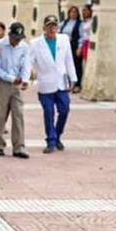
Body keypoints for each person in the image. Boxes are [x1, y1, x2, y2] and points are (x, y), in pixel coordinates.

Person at [30, 15, 77, 154]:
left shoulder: (64, 40)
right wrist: (27, 76)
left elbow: (69, 60)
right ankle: (50, 140)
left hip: (61, 82)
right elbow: (29, 61)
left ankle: (57, 135)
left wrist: (73, 78)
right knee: (49, 112)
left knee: (64, 110)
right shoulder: (35, 43)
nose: (52, 29)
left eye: (54, 26)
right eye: (49, 26)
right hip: (45, 83)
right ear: (44, 28)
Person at [0, 22, 31, 158]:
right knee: (0, 114)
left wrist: (25, 79)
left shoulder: (24, 47)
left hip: (17, 85)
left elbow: (26, 64)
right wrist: (10, 78)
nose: (17, 41)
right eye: (15, 38)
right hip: (2, 82)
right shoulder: (0, 45)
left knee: (18, 114)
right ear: (9, 35)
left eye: (19, 38)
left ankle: (19, 146)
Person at [59, 6, 82, 92]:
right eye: (72, 12)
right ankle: (66, 83)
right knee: (64, 65)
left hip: (74, 46)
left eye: (75, 12)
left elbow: (82, 37)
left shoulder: (80, 24)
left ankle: (77, 84)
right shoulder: (64, 22)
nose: (73, 14)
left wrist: (79, 47)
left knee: (76, 65)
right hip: (64, 46)